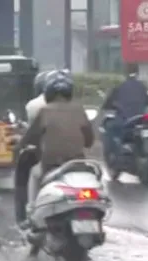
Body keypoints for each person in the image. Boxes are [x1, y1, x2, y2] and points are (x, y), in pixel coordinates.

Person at [18, 70, 94, 226]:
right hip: (78, 163)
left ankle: (33, 213)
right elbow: (89, 140)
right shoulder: (79, 110)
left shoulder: (44, 111)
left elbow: (30, 137)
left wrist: (20, 145)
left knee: (34, 174)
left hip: (51, 164)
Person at [101, 63, 148, 161]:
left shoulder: (120, 87)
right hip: (140, 121)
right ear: (138, 72)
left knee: (109, 128)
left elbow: (107, 103)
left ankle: (113, 156)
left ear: (125, 72)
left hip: (124, 121)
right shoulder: (143, 87)